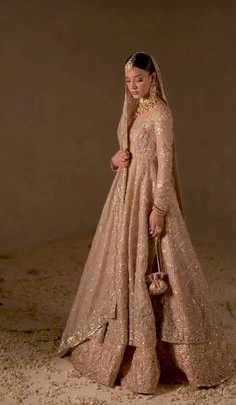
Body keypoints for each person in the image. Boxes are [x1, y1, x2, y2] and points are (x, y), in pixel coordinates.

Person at [58, 52, 235, 394]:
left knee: (158, 269)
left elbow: (165, 163)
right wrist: (114, 159)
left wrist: (159, 208)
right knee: (122, 266)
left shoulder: (161, 113)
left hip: (149, 197)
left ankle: (162, 355)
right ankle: (123, 344)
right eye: (127, 81)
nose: (133, 86)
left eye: (138, 79)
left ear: (153, 77)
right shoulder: (135, 110)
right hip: (125, 196)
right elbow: (128, 152)